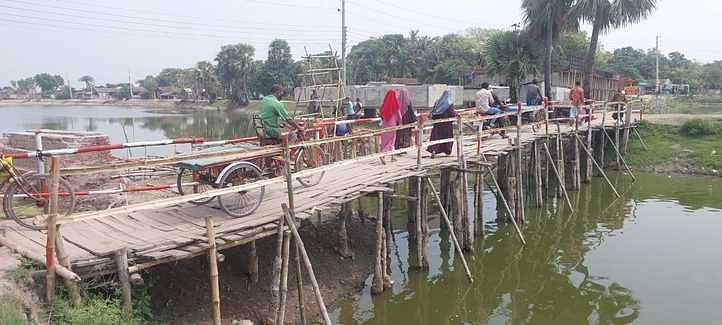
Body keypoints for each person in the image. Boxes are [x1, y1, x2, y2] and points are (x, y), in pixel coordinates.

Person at [427, 90, 458, 157]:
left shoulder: (438, 102)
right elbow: (452, 114)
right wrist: (457, 115)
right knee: (447, 138)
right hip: (446, 125)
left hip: (437, 124)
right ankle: (447, 151)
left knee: (436, 137)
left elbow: (433, 112)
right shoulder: (449, 104)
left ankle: (434, 150)